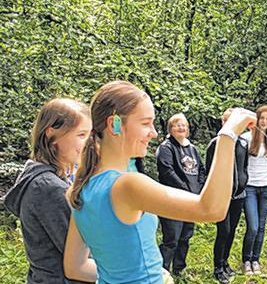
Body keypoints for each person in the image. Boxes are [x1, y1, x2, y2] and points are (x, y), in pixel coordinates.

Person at [63, 81, 256, 283]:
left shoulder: (82, 186)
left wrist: (151, 271)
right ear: (115, 124)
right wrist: (228, 135)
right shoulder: (127, 185)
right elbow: (211, 209)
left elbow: (75, 267)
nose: (154, 133)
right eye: (146, 123)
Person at [4, 98, 92, 284]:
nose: (89, 143)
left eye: (90, 135)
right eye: (81, 135)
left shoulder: (54, 178)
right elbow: (83, 252)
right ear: (51, 135)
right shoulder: (48, 187)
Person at [156, 113, 206, 276]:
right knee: (171, 239)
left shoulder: (192, 149)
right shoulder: (166, 147)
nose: (181, 128)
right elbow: (167, 171)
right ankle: (162, 271)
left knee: (185, 236)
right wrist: (185, 188)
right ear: (170, 128)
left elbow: (201, 171)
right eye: (177, 125)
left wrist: (197, 189)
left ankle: (179, 269)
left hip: (192, 200)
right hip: (172, 199)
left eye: (184, 125)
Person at [206, 108, 249, 283]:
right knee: (223, 231)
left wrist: (244, 181)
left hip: (239, 195)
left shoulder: (243, 143)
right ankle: (217, 267)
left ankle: (225, 262)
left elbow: (244, 166)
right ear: (223, 123)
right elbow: (209, 170)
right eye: (227, 122)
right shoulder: (215, 143)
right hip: (222, 195)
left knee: (231, 231)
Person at [241, 105, 267, 275]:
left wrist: (265, 175)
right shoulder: (245, 138)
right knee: (253, 226)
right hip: (249, 186)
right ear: (256, 119)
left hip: (266, 186)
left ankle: (255, 259)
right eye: (261, 118)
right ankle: (246, 260)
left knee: (262, 226)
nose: (264, 121)